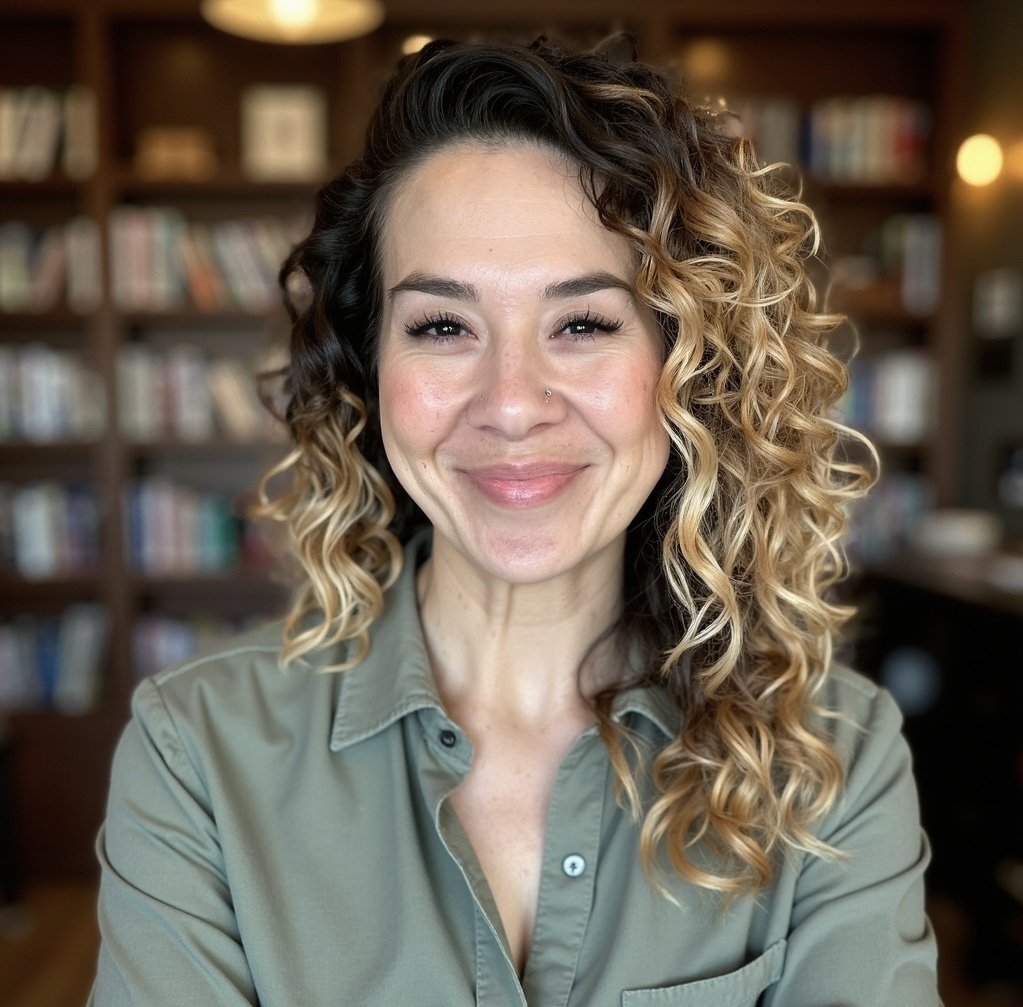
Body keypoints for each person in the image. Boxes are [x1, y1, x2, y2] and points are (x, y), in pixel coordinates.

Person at [89, 35, 941, 1006]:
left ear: (688, 368)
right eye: (443, 326)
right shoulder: (197, 751)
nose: (511, 402)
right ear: (370, 369)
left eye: (583, 323)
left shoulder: (833, 755)